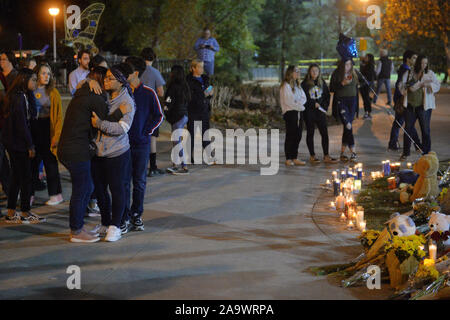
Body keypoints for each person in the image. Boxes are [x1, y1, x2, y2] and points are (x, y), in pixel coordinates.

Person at [58, 66, 124, 242]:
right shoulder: (94, 98)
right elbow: (106, 122)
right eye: (107, 79)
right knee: (83, 188)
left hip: (69, 148)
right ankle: (76, 231)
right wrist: (122, 110)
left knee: (85, 187)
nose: (109, 82)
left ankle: (77, 228)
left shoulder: (81, 94)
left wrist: (88, 80)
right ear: (100, 81)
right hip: (76, 150)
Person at [90, 63, 135, 242]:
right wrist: (88, 81)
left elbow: (123, 127)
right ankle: (105, 223)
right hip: (98, 151)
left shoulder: (127, 102)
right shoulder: (104, 95)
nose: (106, 81)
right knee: (100, 190)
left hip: (117, 153)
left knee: (117, 190)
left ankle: (116, 226)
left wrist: (100, 124)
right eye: (105, 77)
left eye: (110, 78)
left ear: (122, 81)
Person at [120, 56, 164, 234]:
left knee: (139, 182)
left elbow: (159, 115)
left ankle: (136, 215)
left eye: (126, 71)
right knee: (123, 182)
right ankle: (123, 216)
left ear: (135, 73)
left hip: (141, 145)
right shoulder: (121, 92)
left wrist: (146, 131)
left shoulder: (148, 93)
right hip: (121, 145)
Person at [1, 69, 45, 223]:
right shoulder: (19, 98)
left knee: (16, 178)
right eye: (33, 80)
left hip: (13, 143)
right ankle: (25, 212)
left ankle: (11, 212)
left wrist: (30, 93)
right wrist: (30, 146)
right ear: (23, 80)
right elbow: (22, 124)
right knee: (25, 178)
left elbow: (32, 114)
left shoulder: (19, 95)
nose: (36, 82)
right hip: (19, 144)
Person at [30, 63, 63, 206]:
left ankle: (56, 194)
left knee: (50, 163)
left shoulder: (53, 92)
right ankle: (29, 194)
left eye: (48, 74)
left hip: (47, 130)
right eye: (43, 73)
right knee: (31, 163)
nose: (46, 76)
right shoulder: (30, 90)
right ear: (36, 74)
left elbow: (59, 117)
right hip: (33, 129)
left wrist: (57, 135)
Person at [399, 55, 440, 161]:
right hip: (410, 106)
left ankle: (426, 153)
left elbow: (437, 85)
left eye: (425, 63)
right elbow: (401, 85)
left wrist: (429, 85)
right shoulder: (409, 73)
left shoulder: (430, 73)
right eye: (422, 63)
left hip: (424, 107)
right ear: (417, 63)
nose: (423, 65)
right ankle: (405, 153)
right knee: (408, 129)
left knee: (425, 130)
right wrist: (410, 87)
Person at [301, 64, 337, 164]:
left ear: (319, 72)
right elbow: (302, 98)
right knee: (310, 133)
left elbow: (327, 96)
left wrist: (324, 106)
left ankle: (326, 155)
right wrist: (313, 104)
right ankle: (312, 156)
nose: (314, 73)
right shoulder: (304, 84)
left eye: (316, 71)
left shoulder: (322, 83)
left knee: (324, 133)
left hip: (320, 112)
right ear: (309, 72)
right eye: (312, 71)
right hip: (309, 112)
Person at [140, 47, 166, 177]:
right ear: (153, 58)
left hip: (138, 107)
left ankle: (139, 166)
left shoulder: (137, 71)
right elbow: (160, 92)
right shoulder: (155, 72)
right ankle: (153, 166)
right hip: (151, 108)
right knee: (152, 137)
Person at [388, 50, 420, 151]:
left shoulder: (406, 68)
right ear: (408, 59)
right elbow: (400, 86)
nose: (416, 60)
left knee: (401, 123)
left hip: (402, 99)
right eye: (414, 58)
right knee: (406, 123)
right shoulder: (405, 70)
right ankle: (418, 145)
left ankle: (393, 144)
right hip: (403, 100)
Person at [330, 58, 359, 162]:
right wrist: (342, 83)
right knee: (348, 125)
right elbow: (331, 88)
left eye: (350, 64)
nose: (348, 67)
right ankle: (353, 152)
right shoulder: (337, 73)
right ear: (342, 65)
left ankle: (342, 153)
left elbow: (358, 87)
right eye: (346, 64)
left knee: (347, 128)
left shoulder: (354, 73)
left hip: (353, 102)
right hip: (341, 101)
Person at [186, 59, 214, 165]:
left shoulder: (205, 79)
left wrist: (210, 93)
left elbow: (208, 93)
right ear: (193, 68)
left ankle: (209, 156)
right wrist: (204, 95)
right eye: (199, 67)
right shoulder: (188, 81)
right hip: (193, 110)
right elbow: (190, 97)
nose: (202, 69)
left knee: (205, 134)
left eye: (202, 67)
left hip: (204, 110)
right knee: (192, 134)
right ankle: (189, 157)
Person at [165, 65, 190, 174]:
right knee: (176, 140)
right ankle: (176, 164)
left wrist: (165, 111)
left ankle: (183, 165)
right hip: (184, 115)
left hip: (176, 116)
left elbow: (168, 101)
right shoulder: (185, 86)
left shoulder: (172, 87)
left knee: (176, 141)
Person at [280, 65, 307, 166]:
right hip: (290, 113)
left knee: (298, 135)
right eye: (296, 71)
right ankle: (288, 158)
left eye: (299, 71)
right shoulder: (285, 86)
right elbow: (289, 101)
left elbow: (304, 98)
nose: (298, 73)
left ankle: (294, 157)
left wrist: (299, 104)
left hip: (299, 112)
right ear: (290, 72)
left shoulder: (297, 85)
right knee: (291, 135)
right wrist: (300, 106)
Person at [359, 53, 376, 119]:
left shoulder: (370, 66)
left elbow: (369, 75)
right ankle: (367, 111)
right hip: (362, 84)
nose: (364, 58)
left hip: (367, 84)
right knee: (364, 98)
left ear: (369, 58)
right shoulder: (363, 64)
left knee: (366, 98)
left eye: (366, 57)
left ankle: (368, 112)